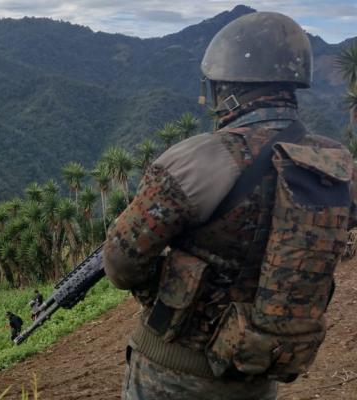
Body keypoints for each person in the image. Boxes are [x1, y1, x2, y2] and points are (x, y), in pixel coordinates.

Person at [102, 12, 356, 400]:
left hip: (173, 372)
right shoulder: (335, 163)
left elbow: (121, 265)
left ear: (227, 86)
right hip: (256, 373)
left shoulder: (197, 159)